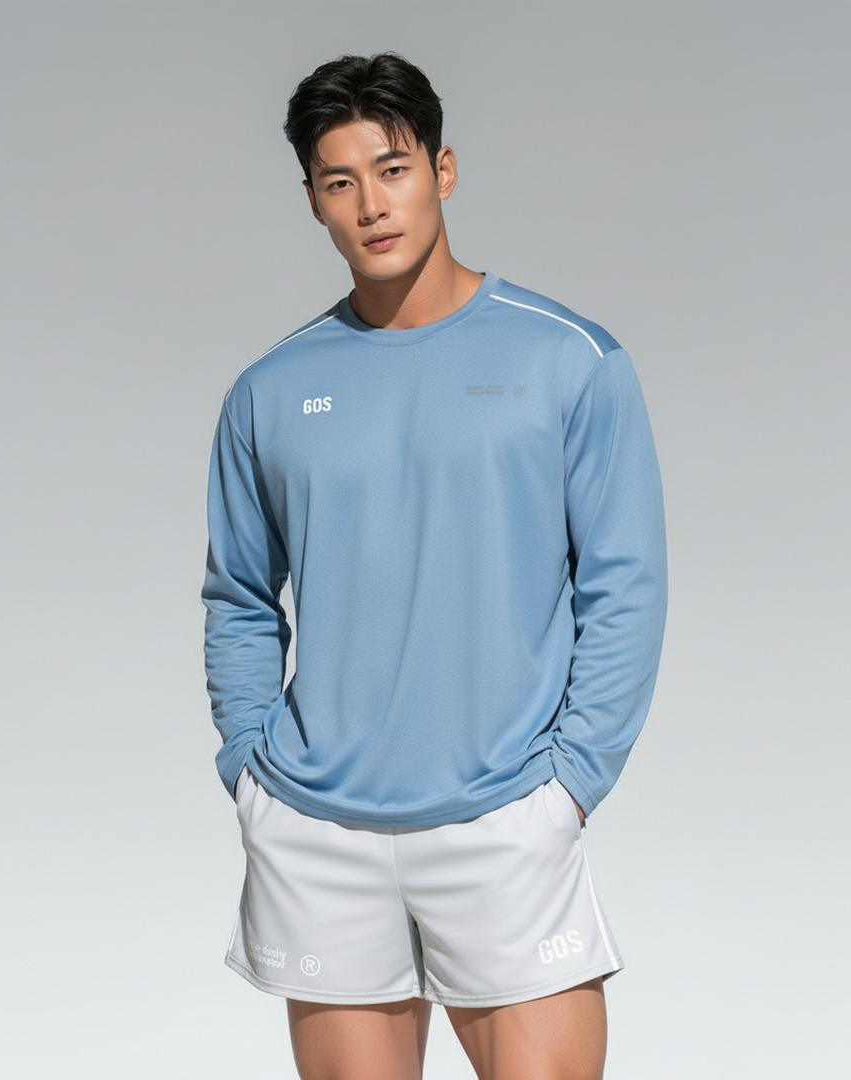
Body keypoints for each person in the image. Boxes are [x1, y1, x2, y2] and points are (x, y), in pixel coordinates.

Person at [200, 50, 668, 1080]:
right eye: (340, 181)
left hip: (507, 817)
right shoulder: (270, 390)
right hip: (318, 830)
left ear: (443, 171)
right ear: (313, 201)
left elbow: (625, 585)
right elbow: (238, 596)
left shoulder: (567, 360)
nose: (372, 204)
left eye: (394, 168)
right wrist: (252, 770)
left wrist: (571, 783)